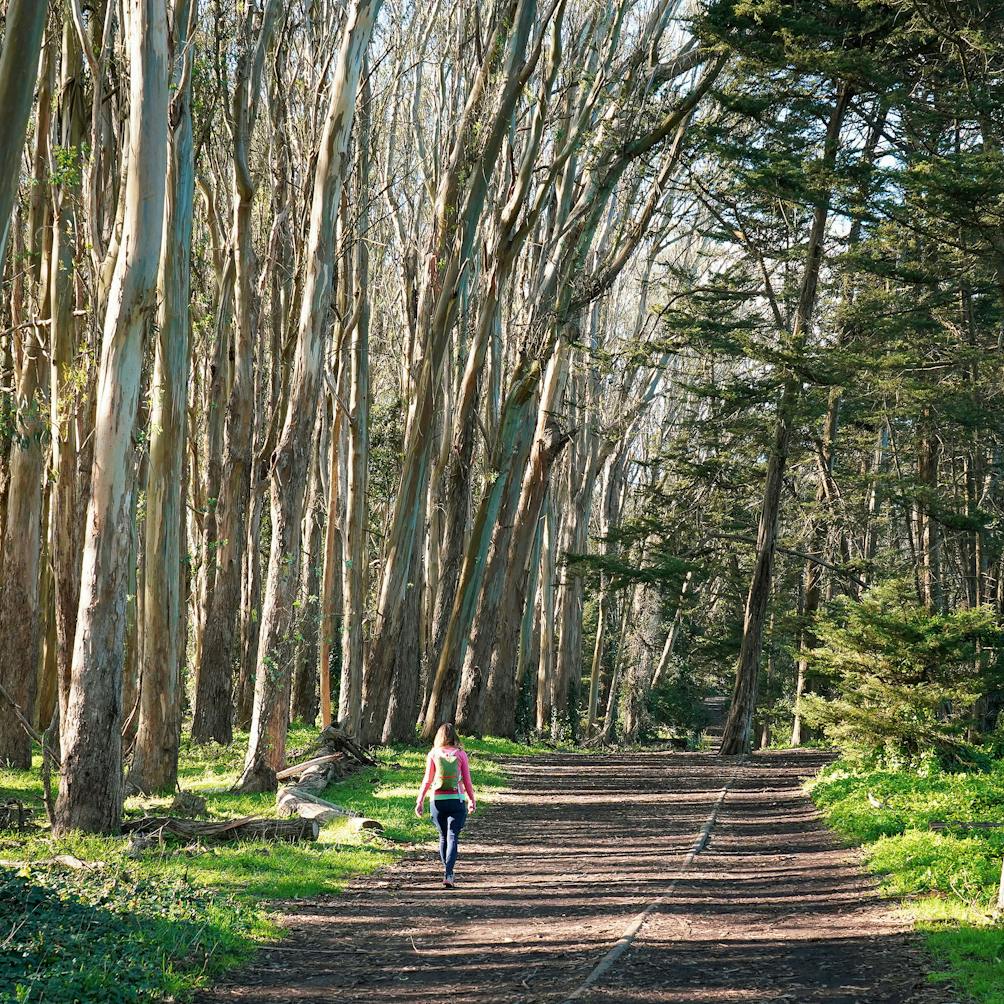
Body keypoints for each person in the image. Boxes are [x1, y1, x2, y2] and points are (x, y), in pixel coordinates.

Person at [415, 723, 476, 888]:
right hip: (457, 800)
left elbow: (427, 779)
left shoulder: (433, 754)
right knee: (452, 836)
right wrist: (471, 799)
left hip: (438, 801)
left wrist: (420, 800)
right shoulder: (461, 754)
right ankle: (449, 873)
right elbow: (467, 781)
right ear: (455, 736)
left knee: (443, 837)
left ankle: (447, 870)